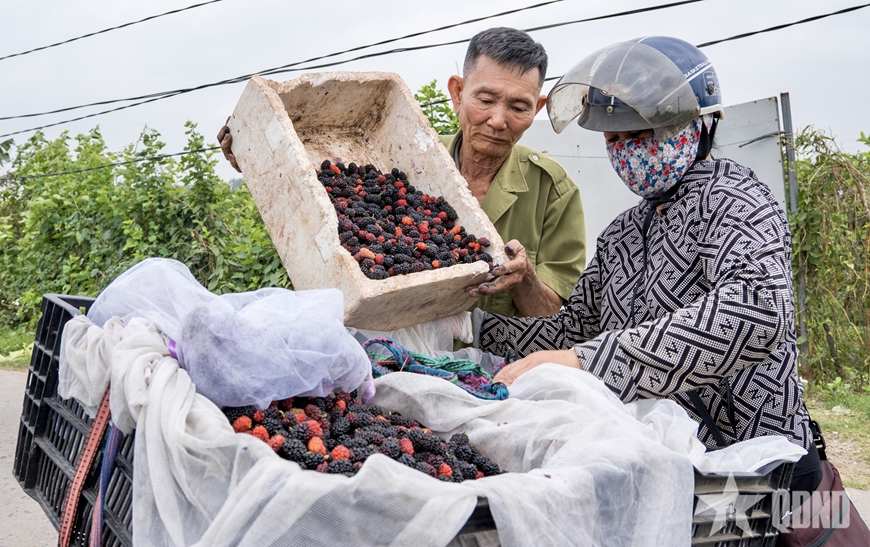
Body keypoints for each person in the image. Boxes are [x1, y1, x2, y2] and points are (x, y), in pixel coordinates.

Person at [474, 36, 824, 492]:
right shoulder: (622, 233)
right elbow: (571, 331)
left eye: (639, 136)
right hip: (666, 464)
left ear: (698, 126)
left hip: (754, 468)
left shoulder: (735, 199)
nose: (626, 150)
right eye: (614, 139)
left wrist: (588, 361)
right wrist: (471, 329)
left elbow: (756, 312)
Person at [218, 27, 587, 319]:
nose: (498, 120)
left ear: (537, 107)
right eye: (486, 100)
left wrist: (525, 279)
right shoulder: (410, 161)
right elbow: (310, 205)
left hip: (492, 367)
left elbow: (557, 315)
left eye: (519, 107)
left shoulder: (553, 190)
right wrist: (259, 158)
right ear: (458, 93)